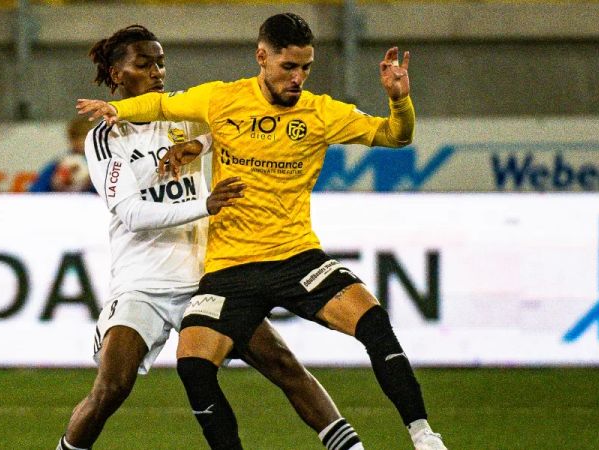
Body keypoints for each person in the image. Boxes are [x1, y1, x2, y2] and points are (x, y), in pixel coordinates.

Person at [76, 13, 448, 450]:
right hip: (157, 281)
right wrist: (118, 112)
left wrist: (199, 143)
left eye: (161, 64)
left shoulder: (205, 117)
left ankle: (392, 440)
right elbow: (132, 209)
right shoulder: (113, 136)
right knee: (115, 386)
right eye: (146, 65)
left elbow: (233, 126)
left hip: (226, 270)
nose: (158, 73)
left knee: (291, 363)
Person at [30, 116, 97, 193]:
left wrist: (91, 182)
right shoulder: (59, 163)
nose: (79, 142)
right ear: (70, 139)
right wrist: (56, 182)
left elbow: (110, 193)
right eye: (75, 137)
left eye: (84, 137)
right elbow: (35, 190)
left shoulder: (101, 164)